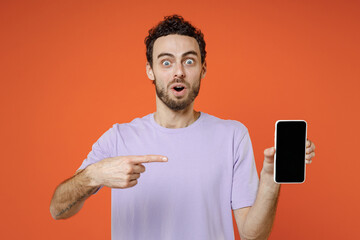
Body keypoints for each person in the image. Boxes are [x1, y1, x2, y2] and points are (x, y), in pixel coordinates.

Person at [50, 15, 316, 240]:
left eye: (189, 61)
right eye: (166, 62)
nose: (178, 71)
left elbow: (251, 234)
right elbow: (57, 209)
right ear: (150, 71)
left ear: (203, 69)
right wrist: (93, 175)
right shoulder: (119, 138)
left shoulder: (233, 135)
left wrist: (271, 178)